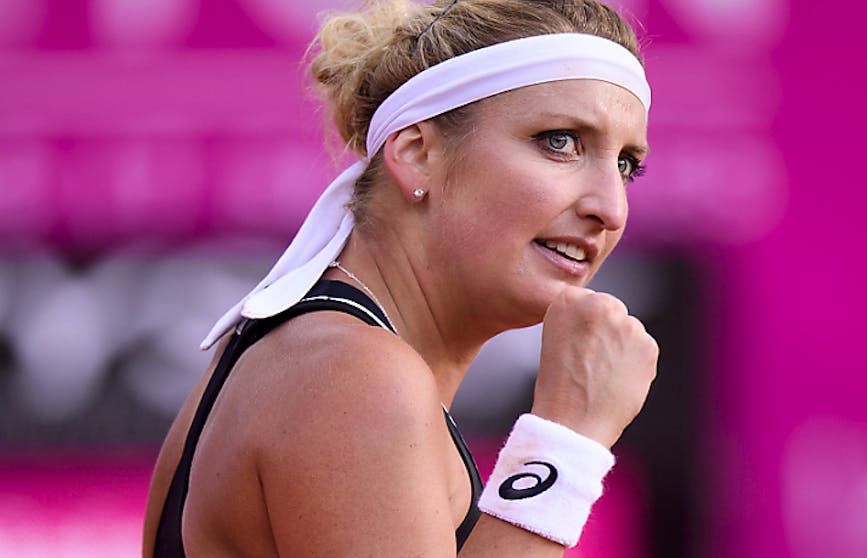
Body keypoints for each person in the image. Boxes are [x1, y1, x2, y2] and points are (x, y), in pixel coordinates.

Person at [142, 0, 658, 555]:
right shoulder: (351, 374)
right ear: (416, 154)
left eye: (626, 165)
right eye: (560, 141)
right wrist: (567, 438)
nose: (611, 209)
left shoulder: (313, 353)